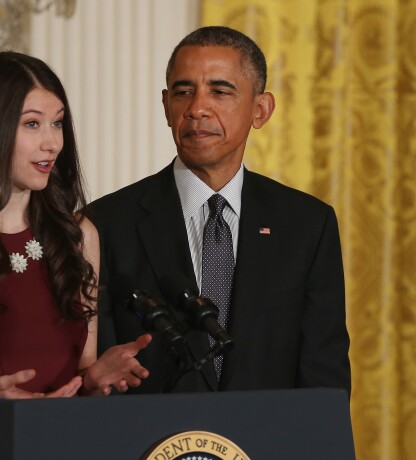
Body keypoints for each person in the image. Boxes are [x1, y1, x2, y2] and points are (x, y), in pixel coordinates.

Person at [87, 26, 350, 394]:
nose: (197, 109)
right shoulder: (105, 224)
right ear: (166, 107)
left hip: (266, 447)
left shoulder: (307, 224)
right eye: (183, 92)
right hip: (149, 447)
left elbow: (324, 377)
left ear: (261, 109)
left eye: (219, 91)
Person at [0, 51, 151, 431]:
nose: (52, 143)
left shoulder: (80, 236)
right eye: (32, 124)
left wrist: (93, 377)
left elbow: (78, 372)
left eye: (58, 123)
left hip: (65, 457)